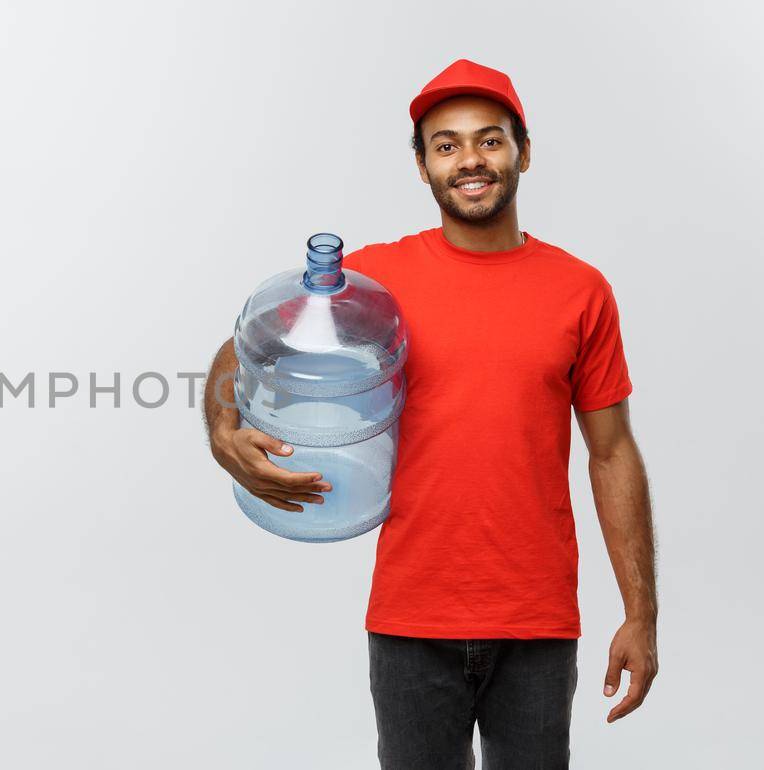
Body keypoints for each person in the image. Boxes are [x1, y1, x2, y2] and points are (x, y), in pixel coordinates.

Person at [201, 59, 658, 767]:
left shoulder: (581, 291)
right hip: (411, 616)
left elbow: (612, 452)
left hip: (535, 619)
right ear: (422, 166)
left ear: (523, 152)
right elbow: (244, 350)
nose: (469, 159)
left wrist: (641, 614)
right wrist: (224, 433)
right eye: (445, 145)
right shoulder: (374, 284)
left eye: (489, 139)